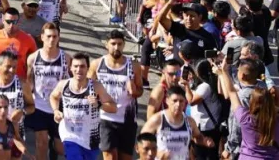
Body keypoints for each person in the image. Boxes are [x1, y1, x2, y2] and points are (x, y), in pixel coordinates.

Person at [49, 52, 117, 160]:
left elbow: (113, 107)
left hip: (90, 138)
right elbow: (53, 96)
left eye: (82, 66)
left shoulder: (96, 87)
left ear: (87, 68)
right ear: (70, 68)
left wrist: (98, 104)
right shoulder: (63, 85)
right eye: (75, 66)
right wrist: (56, 110)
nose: (79, 70)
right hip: (69, 134)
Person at [88, 30, 143, 160]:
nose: (116, 47)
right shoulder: (97, 64)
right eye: (113, 44)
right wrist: (94, 97)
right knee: (110, 157)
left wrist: (135, 90)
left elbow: (140, 90)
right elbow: (88, 87)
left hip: (127, 120)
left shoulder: (133, 66)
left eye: (119, 44)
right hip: (105, 118)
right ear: (107, 44)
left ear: (124, 45)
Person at [25, 23, 68, 160]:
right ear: (42, 37)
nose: (52, 40)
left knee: (60, 148)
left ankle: (54, 147)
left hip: (59, 108)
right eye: (48, 36)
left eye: (55, 36)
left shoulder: (66, 59)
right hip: (40, 106)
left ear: (58, 37)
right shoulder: (33, 58)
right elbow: (29, 81)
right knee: (41, 143)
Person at [139, 84, 216, 159]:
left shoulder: (189, 121)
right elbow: (141, 143)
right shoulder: (157, 119)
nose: (178, 104)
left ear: (185, 102)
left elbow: (198, 137)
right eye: (174, 101)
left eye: (181, 101)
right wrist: (156, 154)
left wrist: (205, 141)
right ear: (167, 101)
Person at [0, 7, 36, 79]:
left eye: (14, 22)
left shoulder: (28, 39)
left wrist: (30, 81)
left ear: (19, 22)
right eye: (8, 22)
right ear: (3, 20)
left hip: (19, 81)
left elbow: (35, 61)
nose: (11, 25)